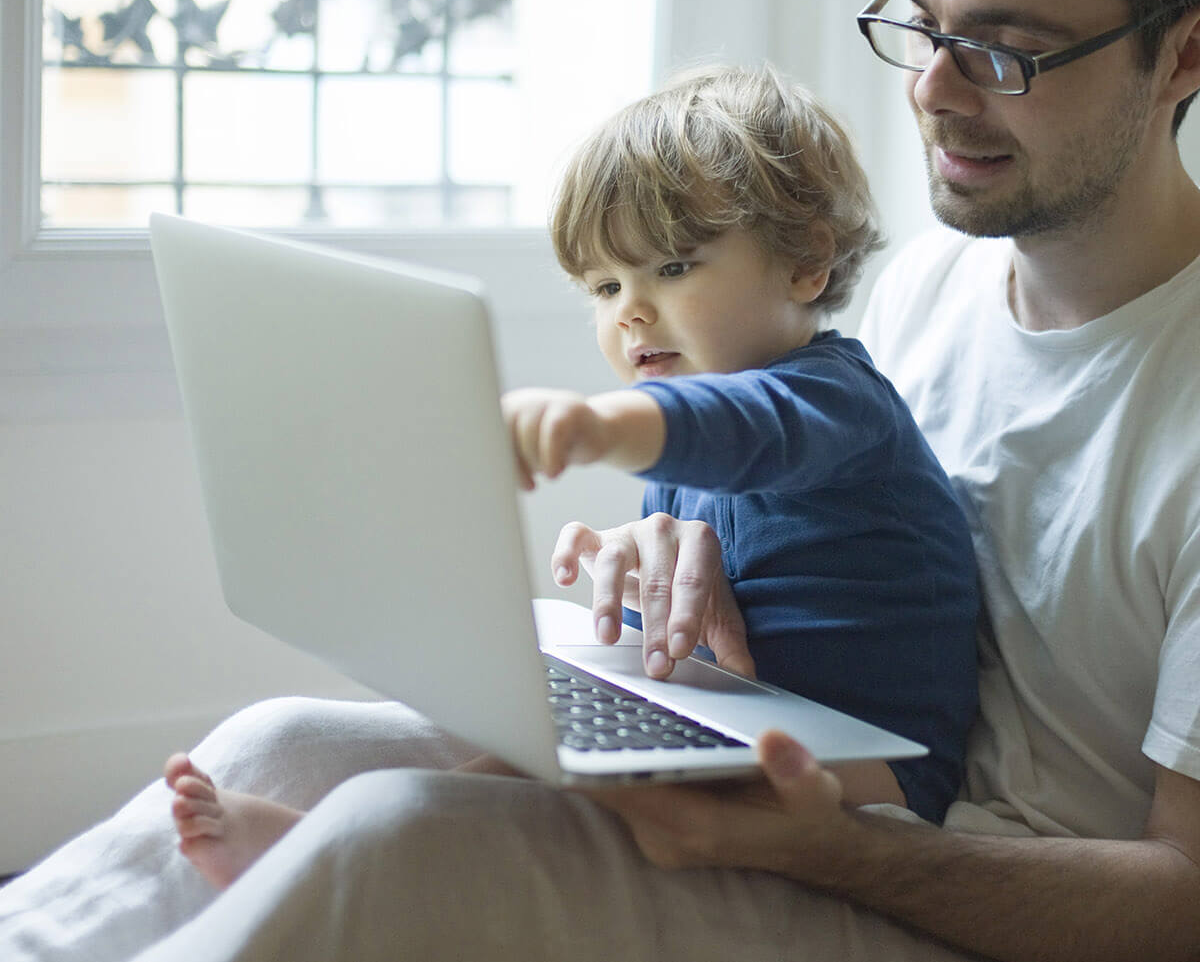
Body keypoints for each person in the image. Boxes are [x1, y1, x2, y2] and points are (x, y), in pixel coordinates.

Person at [0, 0, 1200, 962]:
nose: (939, 93)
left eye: (1011, 52)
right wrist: (682, 577)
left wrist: (838, 844)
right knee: (288, 740)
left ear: (1188, 51)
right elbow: (817, 525)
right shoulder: (933, 293)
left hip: (948, 905)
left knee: (387, 841)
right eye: (921, 23)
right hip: (813, 794)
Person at [160, 65, 981, 888]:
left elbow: (749, 429)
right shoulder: (678, 450)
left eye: (672, 268)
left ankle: (318, 856)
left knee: (536, 794)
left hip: (876, 776)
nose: (629, 309)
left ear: (806, 265)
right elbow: (694, 624)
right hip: (754, 719)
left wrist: (597, 426)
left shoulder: (836, 400)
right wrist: (620, 621)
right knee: (547, 746)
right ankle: (321, 844)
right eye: (605, 284)